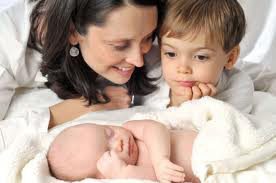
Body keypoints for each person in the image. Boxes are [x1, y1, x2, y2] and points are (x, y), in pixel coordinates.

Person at [0, 0, 164, 128]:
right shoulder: (7, 41)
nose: (138, 60)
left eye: (148, 37)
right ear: (72, 32)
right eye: (120, 46)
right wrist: (79, 108)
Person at [143, 0, 254, 113]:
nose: (183, 69)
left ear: (230, 58)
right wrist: (175, 103)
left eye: (201, 57)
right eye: (171, 54)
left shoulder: (239, 86)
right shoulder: (154, 75)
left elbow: (231, 124)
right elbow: (148, 112)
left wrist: (203, 107)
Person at [47, 121, 199, 183]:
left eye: (109, 133)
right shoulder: (126, 176)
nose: (118, 143)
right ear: (102, 176)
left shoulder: (132, 128)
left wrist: (161, 159)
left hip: (206, 142)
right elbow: (158, 180)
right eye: (108, 152)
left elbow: (157, 129)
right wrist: (124, 173)